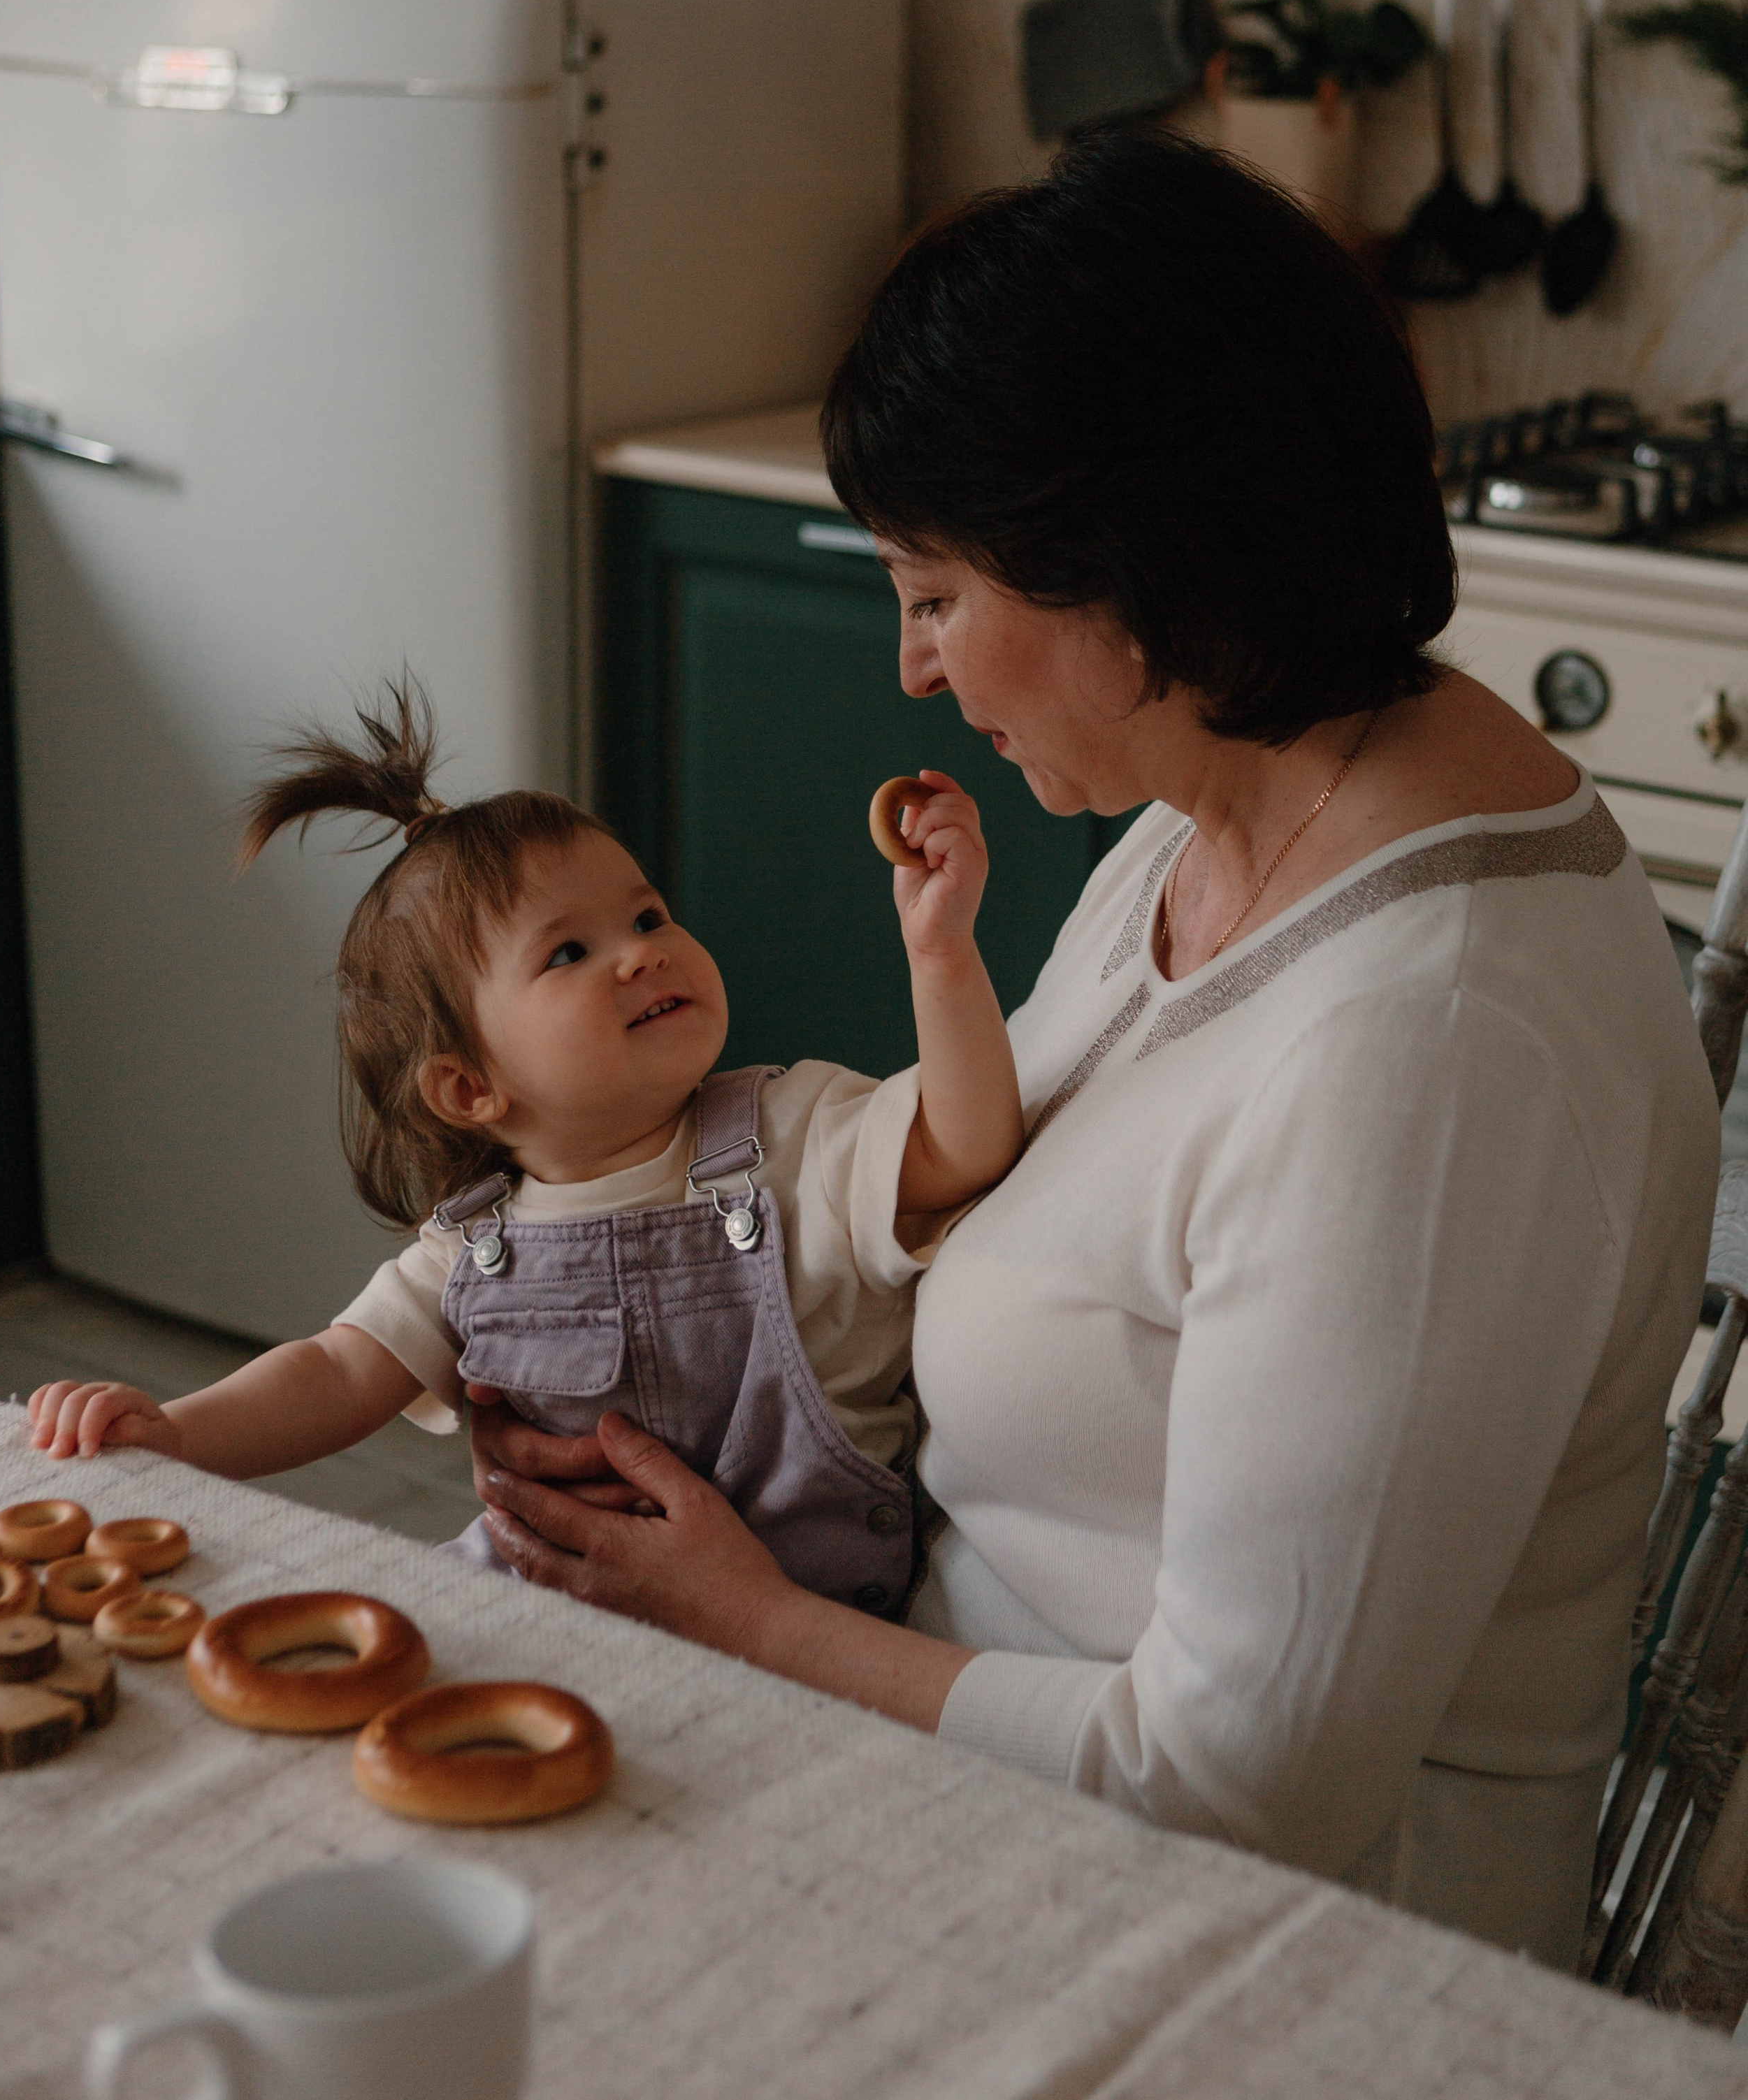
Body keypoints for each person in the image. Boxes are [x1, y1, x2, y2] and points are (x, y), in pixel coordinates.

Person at [460, 132, 1719, 1971]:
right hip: (964, 1794)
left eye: (937, 594)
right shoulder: (1208, 817)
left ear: (1128, 580)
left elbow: (1240, 1787)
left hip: (1267, 1970)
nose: (914, 670)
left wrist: (748, 1619)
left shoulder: (1431, 1047)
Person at [25, 684, 1020, 1614]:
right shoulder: (475, 1250)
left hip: (806, 1641)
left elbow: (965, 1143)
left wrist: (941, 953)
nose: (643, 950)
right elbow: (333, 1374)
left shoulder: (801, 1129)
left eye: (646, 914)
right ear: (470, 1087)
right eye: (569, 952)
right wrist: (176, 1431)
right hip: (556, 1610)